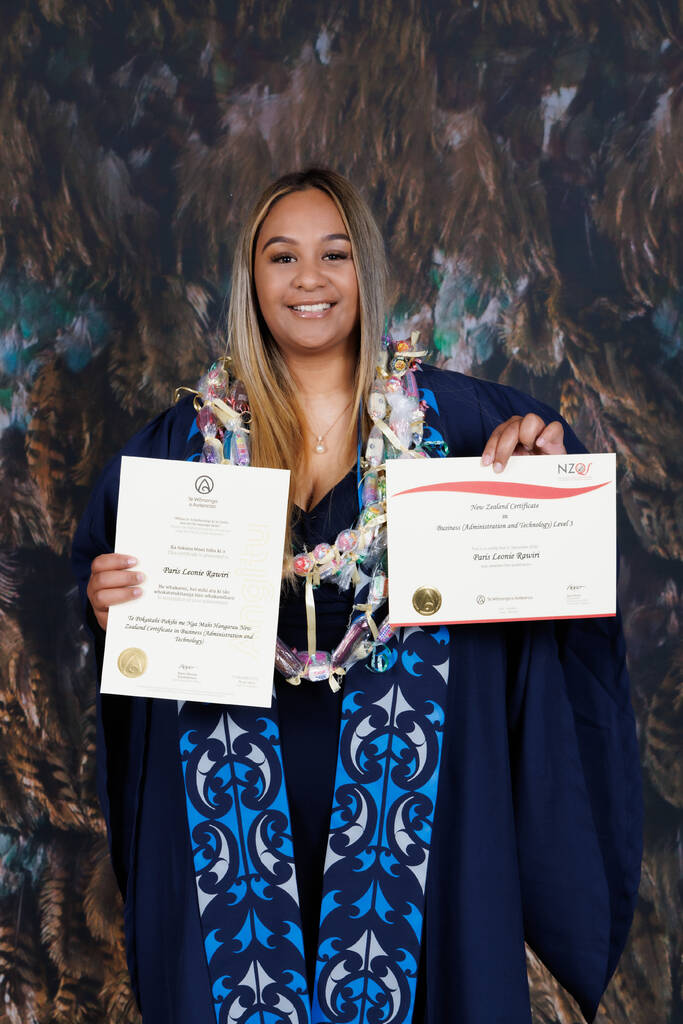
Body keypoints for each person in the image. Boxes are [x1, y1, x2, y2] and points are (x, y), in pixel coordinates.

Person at [71, 168, 642, 1024]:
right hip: (229, 795)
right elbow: (103, 620)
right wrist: (101, 603)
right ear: (251, 280)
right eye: (282, 256)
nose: (309, 279)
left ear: (364, 270)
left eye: (333, 254)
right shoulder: (180, 449)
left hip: (419, 808)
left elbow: (564, 563)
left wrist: (542, 471)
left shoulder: (460, 427)